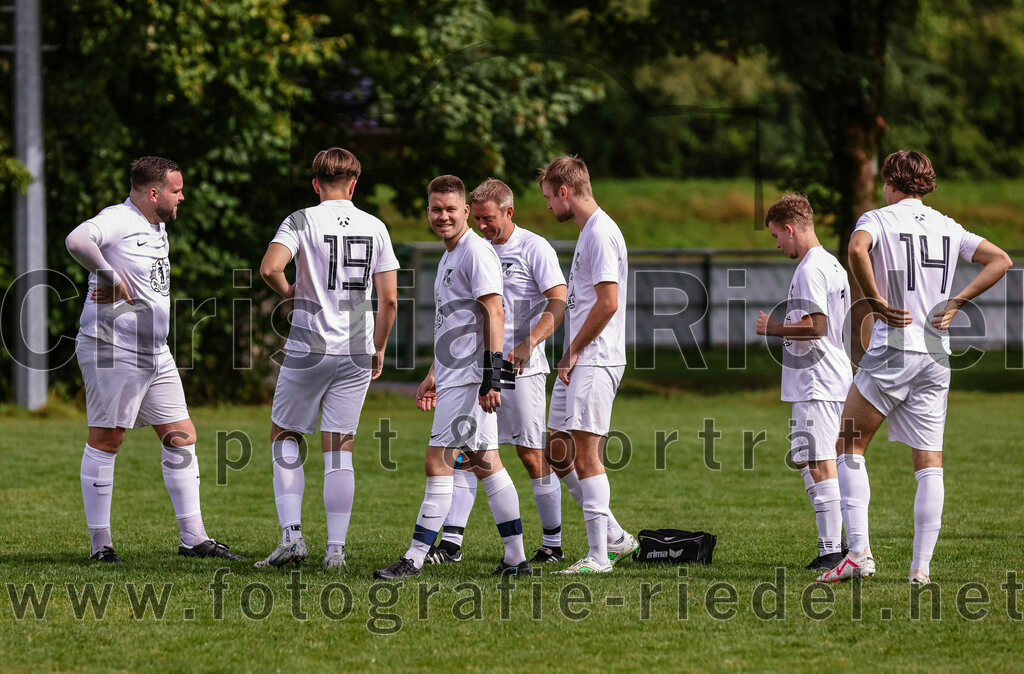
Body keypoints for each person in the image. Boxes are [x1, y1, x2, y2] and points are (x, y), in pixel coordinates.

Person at [817, 151, 1013, 584]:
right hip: (936, 350)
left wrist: (875, 300)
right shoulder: (947, 226)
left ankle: (859, 554)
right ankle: (920, 569)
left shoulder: (878, 218)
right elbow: (1001, 260)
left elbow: (855, 249)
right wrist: (958, 301)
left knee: (848, 445)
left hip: (896, 345)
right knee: (929, 463)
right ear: (927, 184)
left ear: (890, 181)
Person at [66, 156, 243, 562]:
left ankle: (194, 538)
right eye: (176, 190)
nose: (181, 197)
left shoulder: (157, 225)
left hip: (153, 351)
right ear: (153, 192)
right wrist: (110, 276)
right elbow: (77, 240)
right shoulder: (119, 218)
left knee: (181, 435)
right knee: (108, 438)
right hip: (112, 345)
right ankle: (101, 546)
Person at [374, 175, 530, 579]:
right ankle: (516, 559)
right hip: (454, 375)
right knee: (485, 462)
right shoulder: (450, 254)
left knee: (439, 461)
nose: (442, 216)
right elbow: (454, 323)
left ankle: (414, 557)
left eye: (450, 209)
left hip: (472, 378)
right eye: (435, 209)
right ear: (428, 211)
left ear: (465, 212)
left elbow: (495, 313)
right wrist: (433, 373)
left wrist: (491, 379)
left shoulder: (475, 253)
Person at [256, 147, 398, 570]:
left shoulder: (301, 218)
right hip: (356, 348)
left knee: (284, 436)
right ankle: (335, 550)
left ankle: (292, 537)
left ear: (316, 184)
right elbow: (389, 299)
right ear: (354, 185)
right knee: (339, 448)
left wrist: (291, 294)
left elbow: (269, 268)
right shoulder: (375, 226)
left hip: (308, 346)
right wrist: (380, 345)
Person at [424, 178, 568, 565]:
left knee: (529, 454)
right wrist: (438, 369)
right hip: (476, 369)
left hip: (519, 368)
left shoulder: (533, 247)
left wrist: (529, 343)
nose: (484, 226)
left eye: (490, 219)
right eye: (480, 219)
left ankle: (552, 544)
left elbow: (558, 302)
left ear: (509, 212)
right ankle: (452, 544)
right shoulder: (470, 250)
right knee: (469, 454)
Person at [538, 156, 637, 574]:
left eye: (548, 198)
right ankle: (615, 535)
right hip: (580, 360)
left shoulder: (600, 233)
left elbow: (608, 303)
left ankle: (600, 557)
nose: (547, 207)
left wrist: (574, 349)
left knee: (585, 455)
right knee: (557, 450)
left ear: (565, 192)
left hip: (594, 359)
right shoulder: (588, 232)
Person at [755, 193, 852, 571]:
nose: (777, 243)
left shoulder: (811, 268)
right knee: (804, 459)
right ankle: (838, 538)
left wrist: (773, 328)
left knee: (820, 460)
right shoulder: (832, 264)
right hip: (818, 378)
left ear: (790, 228)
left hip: (819, 378)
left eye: (777, 235)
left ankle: (832, 548)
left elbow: (818, 325)